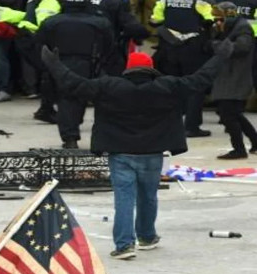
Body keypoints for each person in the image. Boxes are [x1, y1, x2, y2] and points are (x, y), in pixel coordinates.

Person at [40, 40, 232, 259]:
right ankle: (147, 237)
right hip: (152, 153)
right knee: (148, 197)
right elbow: (202, 78)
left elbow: (72, 83)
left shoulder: (108, 86)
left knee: (124, 199)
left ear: (128, 70)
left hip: (120, 153)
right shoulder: (168, 86)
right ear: (151, 69)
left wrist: (53, 64)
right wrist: (220, 57)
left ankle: (124, 245)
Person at [33, 0, 113, 149]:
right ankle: (103, 138)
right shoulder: (100, 22)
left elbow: (40, 44)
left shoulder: (51, 22)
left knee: (67, 100)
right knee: (97, 100)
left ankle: (70, 138)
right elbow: (110, 46)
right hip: (90, 64)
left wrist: (47, 66)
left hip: (59, 63)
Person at [150, 0, 215, 138]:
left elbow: (156, 20)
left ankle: (168, 124)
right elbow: (210, 19)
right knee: (195, 86)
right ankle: (191, 126)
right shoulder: (199, 2)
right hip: (193, 48)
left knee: (170, 86)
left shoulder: (165, 2)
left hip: (169, 48)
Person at [210, 2, 257, 159]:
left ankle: (239, 149)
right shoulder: (226, 28)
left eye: (220, 17)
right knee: (234, 114)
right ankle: (255, 142)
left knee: (228, 115)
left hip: (237, 77)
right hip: (227, 77)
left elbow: (241, 48)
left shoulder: (243, 28)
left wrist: (218, 43)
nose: (217, 21)